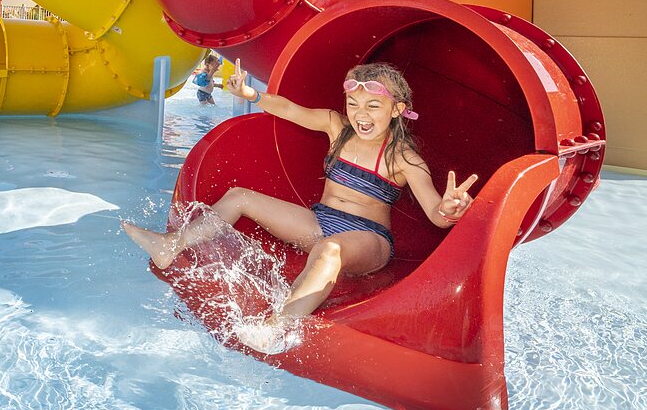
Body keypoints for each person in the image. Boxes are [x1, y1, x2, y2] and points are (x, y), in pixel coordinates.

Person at [123, 60, 478, 353]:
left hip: (368, 239)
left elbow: (435, 212)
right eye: (354, 105)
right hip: (320, 221)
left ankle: (276, 327)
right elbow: (290, 110)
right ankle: (172, 246)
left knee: (329, 249)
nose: (361, 115)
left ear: (397, 110)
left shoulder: (405, 159)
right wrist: (250, 94)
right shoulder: (336, 127)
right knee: (239, 197)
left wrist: (450, 208)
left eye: (373, 106)